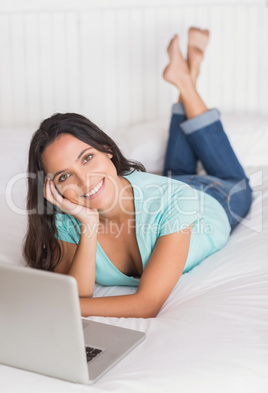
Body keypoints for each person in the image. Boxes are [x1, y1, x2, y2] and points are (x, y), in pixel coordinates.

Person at [23, 28, 252, 318]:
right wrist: (88, 225)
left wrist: (55, 307)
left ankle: (187, 83)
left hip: (209, 196)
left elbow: (146, 305)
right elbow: (78, 293)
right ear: (51, 186)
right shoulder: (69, 215)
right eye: (64, 176)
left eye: (88, 158)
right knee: (175, 174)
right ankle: (186, 78)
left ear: (107, 149)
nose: (84, 181)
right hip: (163, 190)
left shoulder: (175, 200)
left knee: (239, 183)